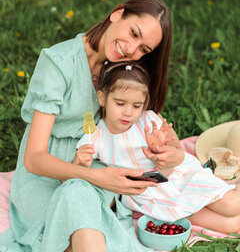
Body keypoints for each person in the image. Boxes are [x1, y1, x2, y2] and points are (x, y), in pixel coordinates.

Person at [0, 0, 184, 252]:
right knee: (77, 196)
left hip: (95, 161)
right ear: (117, 13)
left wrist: (169, 152)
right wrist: (96, 177)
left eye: (143, 49)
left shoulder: (121, 69)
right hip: (46, 173)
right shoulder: (59, 62)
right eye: (133, 33)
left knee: (79, 197)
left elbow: (137, 122)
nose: (132, 50)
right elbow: (34, 159)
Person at [75, 61, 240, 235]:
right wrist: (82, 163)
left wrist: (161, 148)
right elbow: (72, 177)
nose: (128, 112)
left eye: (136, 106)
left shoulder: (148, 121)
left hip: (178, 175)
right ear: (102, 98)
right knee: (230, 225)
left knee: (232, 205)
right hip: (151, 194)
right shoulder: (96, 135)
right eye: (120, 103)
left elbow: (172, 160)